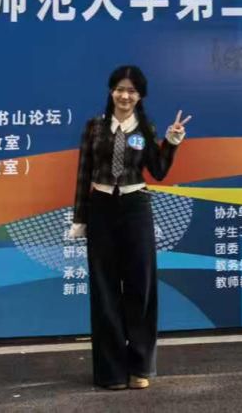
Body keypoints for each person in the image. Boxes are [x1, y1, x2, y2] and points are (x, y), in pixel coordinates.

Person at [66, 64, 190, 390]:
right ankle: (110, 372)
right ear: (111, 92)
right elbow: (83, 174)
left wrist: (171, 142)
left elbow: (158, 171)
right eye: (120, 89)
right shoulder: (94, 127)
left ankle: (140, 368)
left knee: (140, 287)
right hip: (101, 209)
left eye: (132, 91)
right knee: (105, 290)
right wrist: (80, 218)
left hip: (136, 209)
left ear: (140, 96)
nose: (125, 96)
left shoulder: (145, 128)